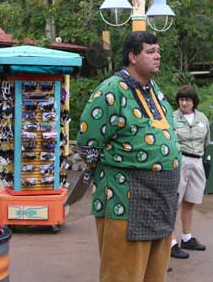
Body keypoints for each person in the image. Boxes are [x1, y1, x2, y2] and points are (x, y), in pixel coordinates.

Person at [77, 31, 181, 282]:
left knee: (154, 274)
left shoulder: (153, 89)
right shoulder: (111, 90)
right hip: (125, 198)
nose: (158, 56)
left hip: (162, 198)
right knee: (123, 274)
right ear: (132, 57)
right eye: (150, 51)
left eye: (158, 51)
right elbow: (88, 144)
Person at [169, 85, 210, 259]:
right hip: (179, 161)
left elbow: (207, 141)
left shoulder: (202, 118)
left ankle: (187, 238)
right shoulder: (172, 117)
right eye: (181, 99)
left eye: (187, 100)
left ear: (194, 102)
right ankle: (170, 243)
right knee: (174, 203)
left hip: (197, 161)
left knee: (190, 201)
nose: (184, 103)